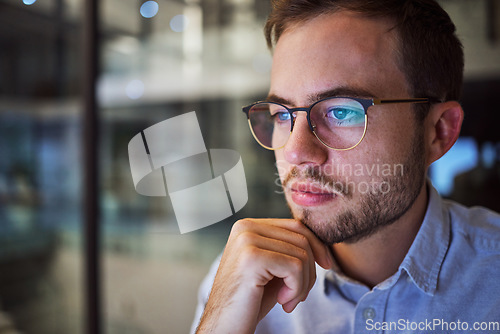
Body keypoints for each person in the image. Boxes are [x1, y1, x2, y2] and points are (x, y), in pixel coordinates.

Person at [192, 0, 500, 333]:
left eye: (342, 112)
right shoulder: (240, 282)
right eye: (282, 114)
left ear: (438, 132)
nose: (294, 153)